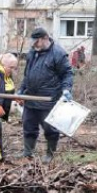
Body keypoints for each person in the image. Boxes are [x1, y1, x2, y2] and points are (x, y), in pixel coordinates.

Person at [18, 27, 74, 161]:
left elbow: (67, 74)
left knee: (50, 128)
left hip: (48, 99)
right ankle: (28, 152)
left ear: (45, 38)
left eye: (36, 42)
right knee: (28, 125)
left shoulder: (58, 54)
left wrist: (66, 90)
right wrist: (21, 90)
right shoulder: (33, 52)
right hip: (30, 97)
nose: (34, 45)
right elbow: (27, 74)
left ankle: (50, 154)